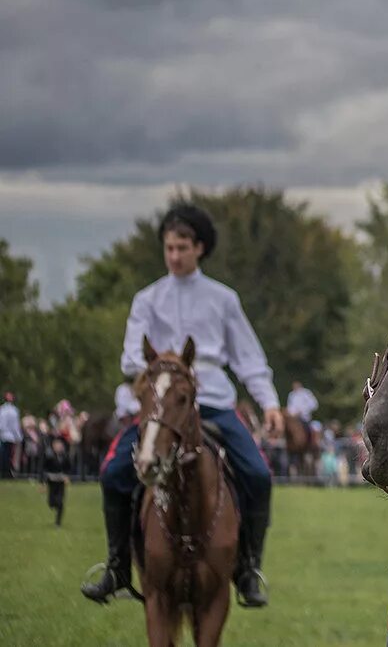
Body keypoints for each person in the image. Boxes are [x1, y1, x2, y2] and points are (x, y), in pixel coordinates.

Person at [80, 203, 283, 608]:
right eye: (169, 248)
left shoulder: (224, 300)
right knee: (113, 474)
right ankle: (118, 567)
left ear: (200, 248)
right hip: (162, 406)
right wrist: (168, 368)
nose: (174, 255)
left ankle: (247, 571)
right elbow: (128, 358)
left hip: (212, 403)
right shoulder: (146, 299)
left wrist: (270, 403)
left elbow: (248, 358)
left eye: (182, 247)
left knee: (258, 475)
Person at [43, 436, 71, 527]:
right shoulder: (49, 456)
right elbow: (44, 468)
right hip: (52, 481)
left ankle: (58, 522)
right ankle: (55, 504)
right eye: (57, 445)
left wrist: (66, 476)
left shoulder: (65, 456)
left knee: (60, 502)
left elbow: (69, 468)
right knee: (51, 502)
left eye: (60, 445)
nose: (59, 447)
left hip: (60, 481)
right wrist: (44, 481)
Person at [0, 392, 20, 479]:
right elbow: (15, 426)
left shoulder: (2, 409)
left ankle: (4, 472)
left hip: (3, 435)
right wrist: (18, 436)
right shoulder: (14, 410)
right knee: (8, 456)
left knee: (4, 455)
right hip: (10, 436)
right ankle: (6, 472)